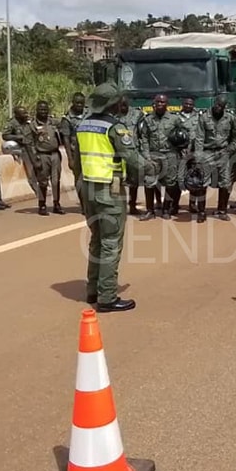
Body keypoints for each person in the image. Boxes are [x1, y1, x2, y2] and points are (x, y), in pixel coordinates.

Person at [76, 82, 141, 313]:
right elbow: (132, 160)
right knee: (111, 243)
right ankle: (107, 297)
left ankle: (92, 290)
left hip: (86, 187)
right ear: (114, 104)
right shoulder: (115, 128)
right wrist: (153, 169)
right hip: (108, 190)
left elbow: (75, 161)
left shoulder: (82, 125)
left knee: (97, 240)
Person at [138, 94, 182, 220]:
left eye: (163, 102)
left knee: (170, 183)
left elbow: (182, 134)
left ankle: (166, 209)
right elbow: (144, 138)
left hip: (170, 154)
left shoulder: (174, 119)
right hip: (153, 154)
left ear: (167, 104)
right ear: (154, 103)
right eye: (158, 102)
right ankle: (150, 210)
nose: (160, 104)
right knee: (149, 182)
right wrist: (146, 155)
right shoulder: (148, 119)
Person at [196, 95, 234, 221]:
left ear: (225, 107)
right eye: (217, 105)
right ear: (214, 103)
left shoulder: (230, 118)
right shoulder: (204, 117)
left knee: (225, 182)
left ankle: (222, 210)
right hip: (207, 153)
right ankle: (201, 212)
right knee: (203, 183)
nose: (218, 108)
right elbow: (199, 138)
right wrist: (198, 156)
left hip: (223, 153)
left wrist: (232, 147)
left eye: (221, 106)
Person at [25, 100, 64, 216]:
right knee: (42, 182)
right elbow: (28, 143)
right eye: (41, 109)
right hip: (42, 155)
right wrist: (34, 160)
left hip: (55, 154)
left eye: (45, 110)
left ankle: (57, 204)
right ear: (36, 110)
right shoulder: (31, 125)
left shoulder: (54, 122)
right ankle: (42, 204)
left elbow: (64, 127)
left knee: (56, 181)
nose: (43, 112)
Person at [59, 91, 88, 205]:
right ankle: (83, 203)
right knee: (79, 179)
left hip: (90, 151)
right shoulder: (67, 119)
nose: (79, 105)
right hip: (76, 153)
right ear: (73, 103)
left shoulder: (89, 113)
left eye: (81, 103)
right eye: (77, 103)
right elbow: (65, 139)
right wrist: (70, 159)